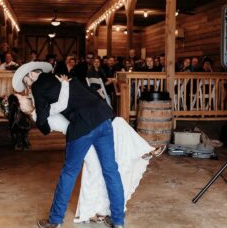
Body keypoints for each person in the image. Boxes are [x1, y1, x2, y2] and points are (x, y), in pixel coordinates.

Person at [12, 62, 164, 228]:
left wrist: (37, 116)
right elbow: (90, 94)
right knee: (111, 171)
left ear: (30, 76)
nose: (27, 87)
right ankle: (118, 221)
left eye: (26, 83)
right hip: (104, 118)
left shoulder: (38, 85)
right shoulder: (64, 78)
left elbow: (43, 123)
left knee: (69, 173)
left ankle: (55, 221)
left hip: (83, 126)